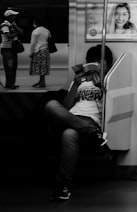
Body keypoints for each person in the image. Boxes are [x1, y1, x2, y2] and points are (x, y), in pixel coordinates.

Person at [44, 51, 108, 201]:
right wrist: (76, 85)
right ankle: (94, 134)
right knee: (51, 105)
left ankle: (62, 186)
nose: (97, 63)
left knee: (69, 135)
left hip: (90, 119)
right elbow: (66, 106)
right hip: (71, 117)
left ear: (106, 63)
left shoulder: (108, 81)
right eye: (93, 61)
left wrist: (102, 88)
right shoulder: (79, 82)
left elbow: (112, 106)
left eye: (100, 60)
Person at [0, 9, 22, 89]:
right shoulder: (4, 25)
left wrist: (15, 27)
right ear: (9, 16)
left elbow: (21, 32)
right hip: (6, 49)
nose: (15, 16)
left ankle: (12, 83)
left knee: (14, 66)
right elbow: (8, 36)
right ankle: (8, 84)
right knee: (9, 67)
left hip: (12, 48)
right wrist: (16, 33)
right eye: (13, 15)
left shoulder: (12, 24)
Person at [29, 18, 51, 88]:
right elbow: (50, 38)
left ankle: (42, 83)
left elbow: (33, 43)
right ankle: (41, 81)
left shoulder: (35, 31)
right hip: (46, 50)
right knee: (43, 67)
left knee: (39, 67)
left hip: (38, 51)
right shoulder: (46, 30)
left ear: (36, 23)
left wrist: (31, 52)